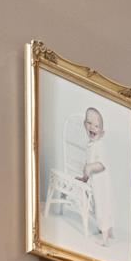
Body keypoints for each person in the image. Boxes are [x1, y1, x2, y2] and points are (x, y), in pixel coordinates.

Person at [46, 101, 117, 251]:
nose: (92, 127)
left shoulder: (99, 145)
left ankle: (105, 238)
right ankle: (109, 231)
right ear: (85, 125)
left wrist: (90, 167)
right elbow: (87, 165)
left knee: (102, 207)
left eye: (97, 126)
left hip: (102, 183)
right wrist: (84, 177)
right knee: (98, 207)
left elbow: (102, 164)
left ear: (102, 132)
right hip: (94, 182)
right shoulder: (90, 144)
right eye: (89, 123)